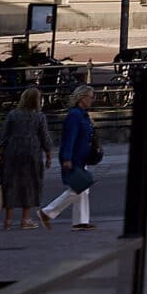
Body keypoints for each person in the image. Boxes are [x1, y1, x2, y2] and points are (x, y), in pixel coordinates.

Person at [42, 85, 100, 230]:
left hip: (80, 157)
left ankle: (80, 221)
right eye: (90, 97)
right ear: (82, 98)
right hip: (75, 157)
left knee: (82, 188)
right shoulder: (75, 115)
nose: (92, 100)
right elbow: (69, 138)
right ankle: (47, 212)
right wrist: (67, 158)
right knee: (79, 188)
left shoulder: (80, 114)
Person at [0, 87, 51, 231]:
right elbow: (45, 137)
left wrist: (0, 153)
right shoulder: (39, 116)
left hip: (12, 151)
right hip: (32, 152)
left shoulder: (12, 114)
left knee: (11, 183)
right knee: (30, 184)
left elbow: (3, 135)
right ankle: (25, 219)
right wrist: (48, 154)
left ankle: (8, 220)